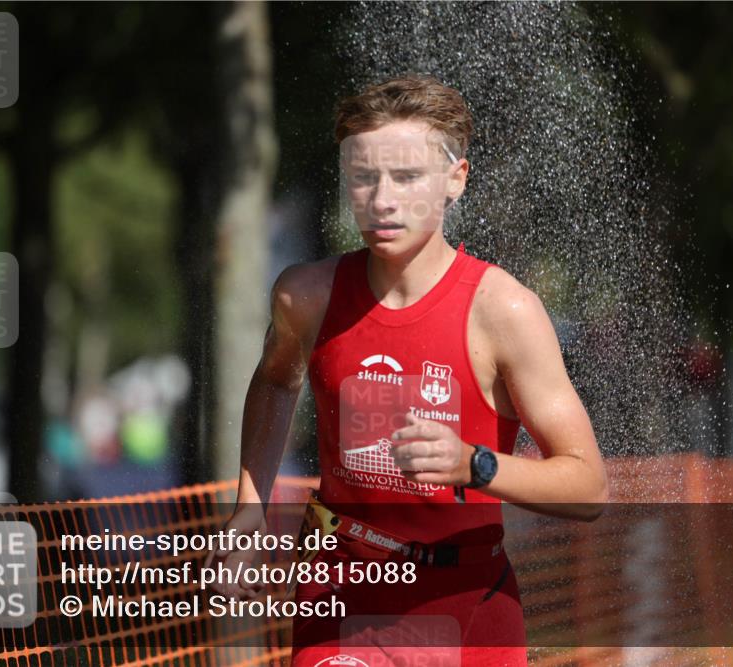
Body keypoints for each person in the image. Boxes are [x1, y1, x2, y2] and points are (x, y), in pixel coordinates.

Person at [207, 74, 609, 666]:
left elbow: (588, 486)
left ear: (456, 180)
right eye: (365, 178)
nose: (383, 200)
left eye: (407, 177)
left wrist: (474, 464)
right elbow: (274, 380)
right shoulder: (306, 296)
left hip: (465, 599)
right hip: (340, 591)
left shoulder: (504, 311)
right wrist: (249, 510)